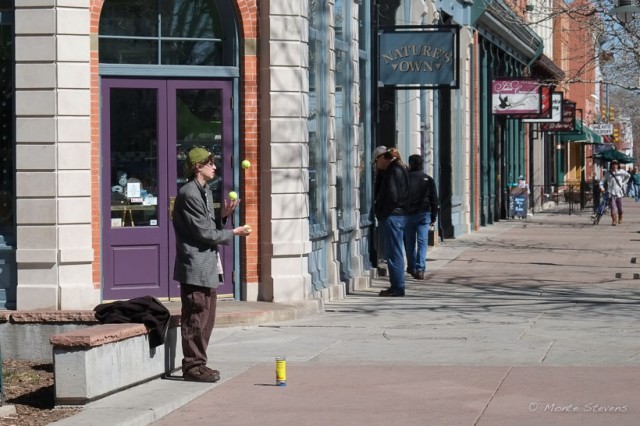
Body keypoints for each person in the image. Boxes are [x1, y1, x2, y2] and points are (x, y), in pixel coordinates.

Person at [173, 147, 251, 382]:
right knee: (195, 317)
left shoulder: (205, 191)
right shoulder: (189, 193)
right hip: (195, 265)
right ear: (198, 166)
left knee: (207, 318)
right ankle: (192, 366)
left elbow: (208, 226)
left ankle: (200, 363)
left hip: (208, 264)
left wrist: (223, 217)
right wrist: (232, 232)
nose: (215, 167)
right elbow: (203, 232)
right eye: (210, 163)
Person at [373, 147, 409, 297]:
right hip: (398, 214)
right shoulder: (399, 168)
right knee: (394, 251)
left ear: (382, 158)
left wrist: (383, 213)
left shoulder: (394, 171)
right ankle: (396, 286)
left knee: (393, 252)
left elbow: (393, 196)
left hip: (393, 216)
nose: (376, 165)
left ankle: (397, 287)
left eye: (376, 161)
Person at [403, 155, 439, 280]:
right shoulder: (428, 179)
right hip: (424, 215)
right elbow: (434, 199)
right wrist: (433, 216)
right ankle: (420, 268)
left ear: (410, 164)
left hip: (408, 215)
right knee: (422, 242)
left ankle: (412, 267)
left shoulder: (405, 179)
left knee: (410, 243)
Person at [599, 160, 630, 226]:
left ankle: (620, 216)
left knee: (620, 207)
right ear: (611, 165)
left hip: (619, 192)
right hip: (611, 192)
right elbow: (602, 181)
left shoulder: (621, 172)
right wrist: (602, 187)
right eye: (613, 164)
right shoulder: (608, 173)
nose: (614, 165)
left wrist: (623, 183)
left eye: (616, 164)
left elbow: (628, 176)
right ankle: (614, 220)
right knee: (613, 207)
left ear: (618, 165)